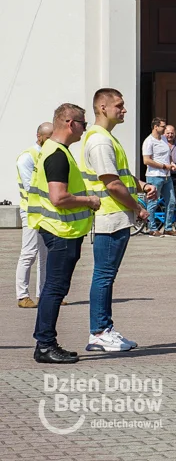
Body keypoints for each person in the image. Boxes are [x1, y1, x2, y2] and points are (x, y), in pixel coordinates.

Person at [80, 88, 157, 352]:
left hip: (113, 216)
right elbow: (111, 183)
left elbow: (119, 176)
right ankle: (100, 332)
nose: (124, 110)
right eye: (119, 105)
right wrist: (138, 208)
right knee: (104, 275)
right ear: (102, 107)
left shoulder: (107, 138)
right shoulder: (100, 141)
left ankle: (104, 329)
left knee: (105, 275)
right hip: (109, 216)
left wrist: (140, 184)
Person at [28, 104, 101, 363]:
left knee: (55, 288)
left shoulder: (56, 151)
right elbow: (58, 198)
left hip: (61, 230)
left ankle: (46, 343)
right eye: (83, 123)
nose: (85, 128)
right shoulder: (57, 154)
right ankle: (45, 344)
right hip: (61, 231)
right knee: (55, 289)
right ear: (70, 123)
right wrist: (89, 201)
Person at [15, 122, 53, 308]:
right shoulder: (27, 158)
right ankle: (22, 295)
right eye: (48, 138)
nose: (51, 141)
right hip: (30, 211)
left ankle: (44, 294)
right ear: (39, 136)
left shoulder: (48, 154)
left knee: (44, 254)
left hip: (45, 211)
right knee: (29, 253)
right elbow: (31, 187)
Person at [142, 117, 176, 237]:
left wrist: (171, 164)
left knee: (171, 201)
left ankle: (168, 227)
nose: (165, 128)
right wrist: (163, 166)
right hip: (154, 176)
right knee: (153, 202)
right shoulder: (149, 141)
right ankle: (152, 228)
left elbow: (168, 155)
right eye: (162, 126)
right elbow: (146, 160)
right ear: (155, 127)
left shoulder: (163, 138)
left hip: (166, 175)